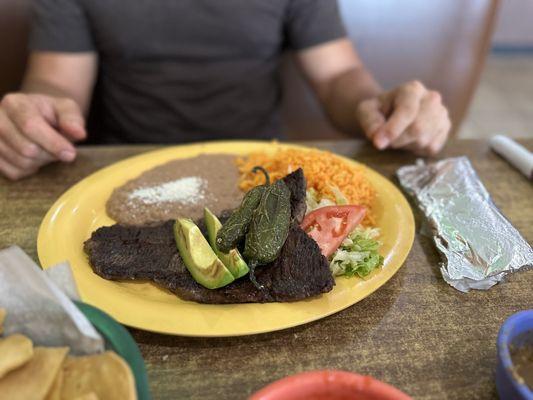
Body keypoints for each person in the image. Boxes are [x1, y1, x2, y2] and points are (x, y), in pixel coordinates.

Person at [0, 0, 451, 181]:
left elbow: (337, 76)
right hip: (126, 165)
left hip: (262, 167)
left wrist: (376, 108)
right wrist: (35, 118)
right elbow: (57, 82)